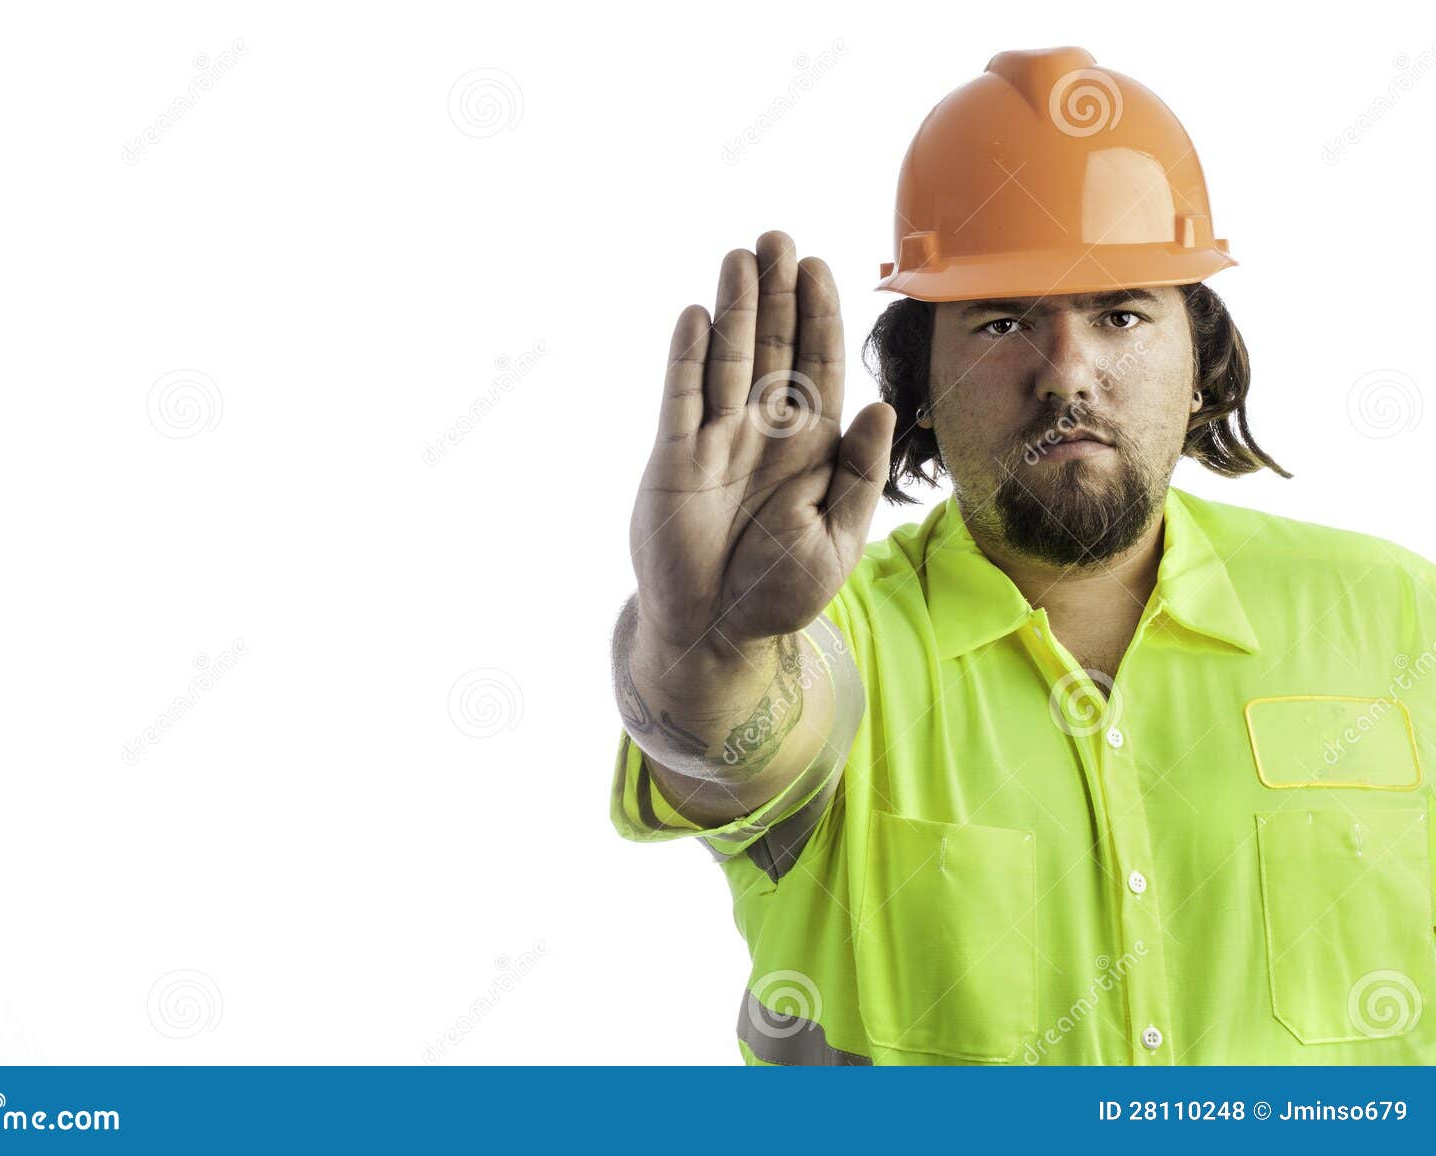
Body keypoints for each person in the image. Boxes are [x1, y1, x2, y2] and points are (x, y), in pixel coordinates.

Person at [608, 46, 1436, 1065]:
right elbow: (726, 731)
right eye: (1001, 321)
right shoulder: (837, 642)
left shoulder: (1397, 616)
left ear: (1200, 359)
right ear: (915, 382)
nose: (1065, 373)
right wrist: (708, 649)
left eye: (1120, 312)